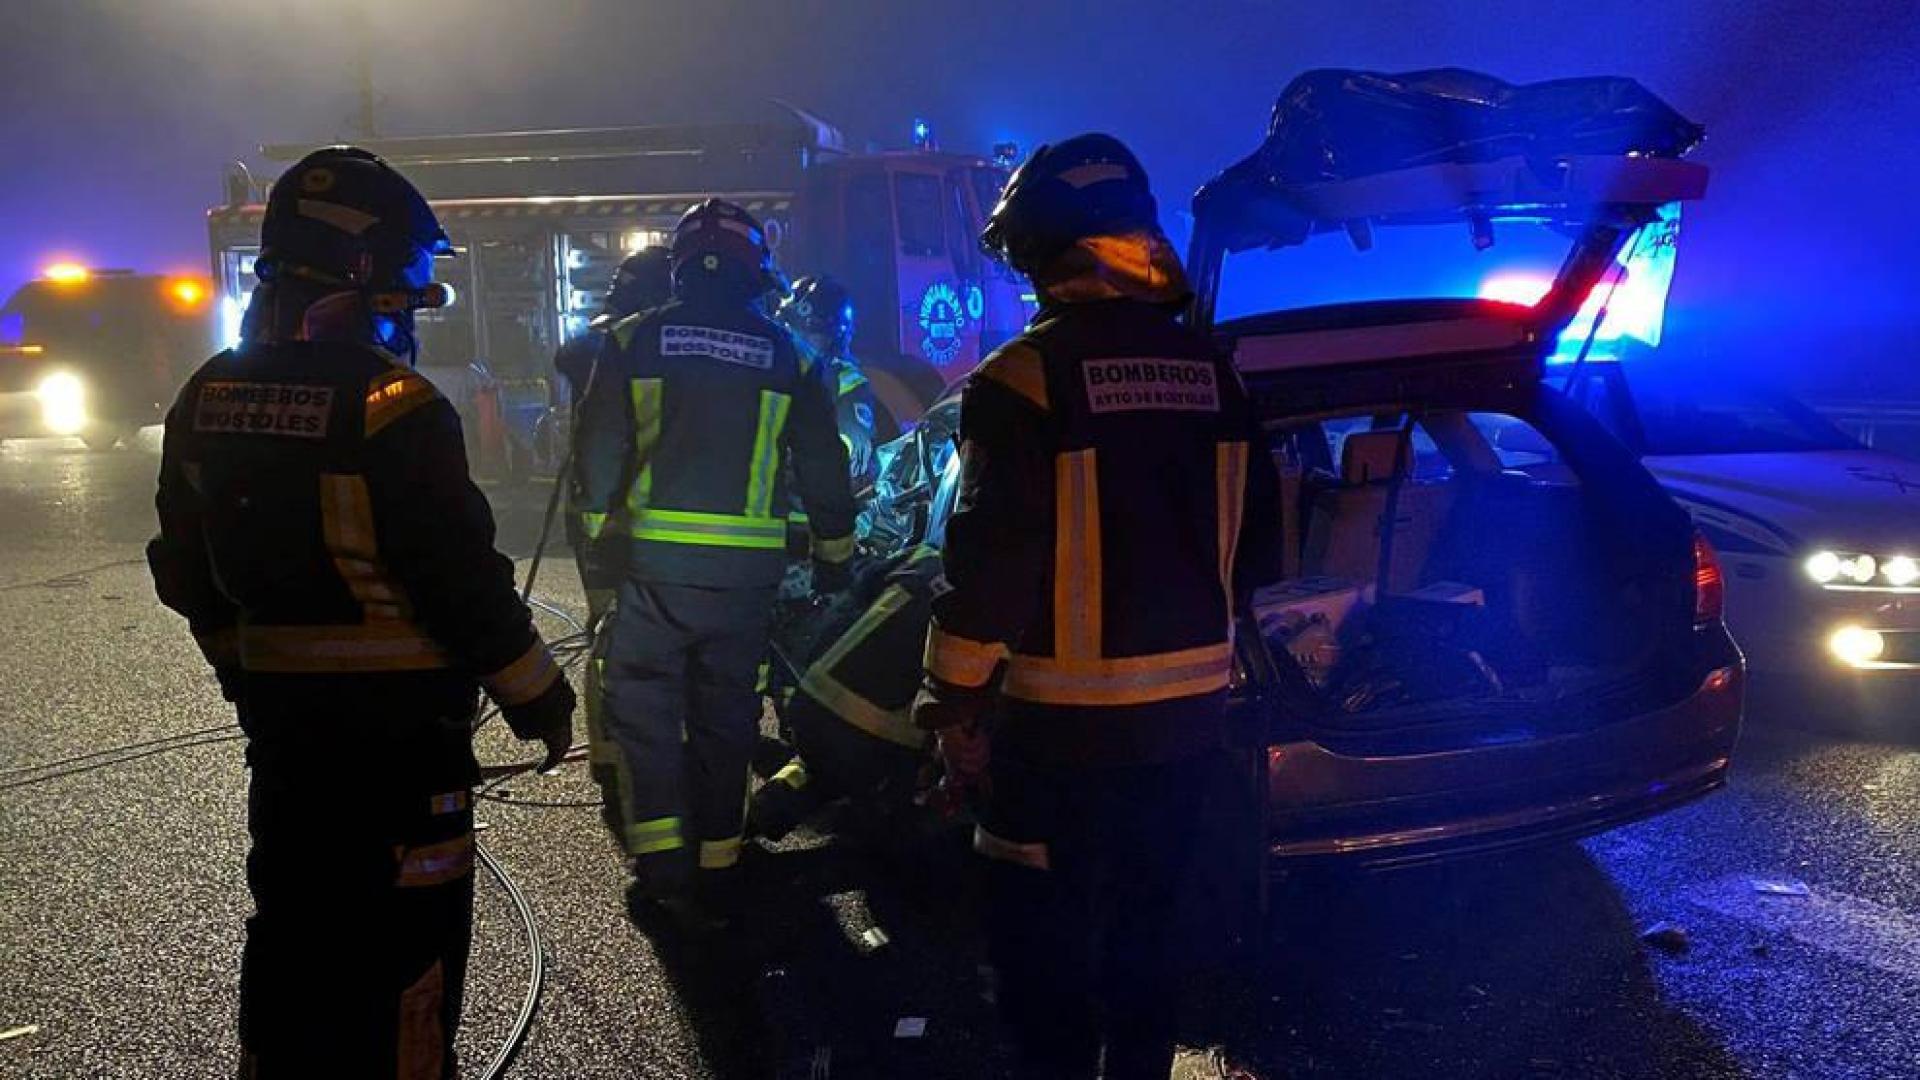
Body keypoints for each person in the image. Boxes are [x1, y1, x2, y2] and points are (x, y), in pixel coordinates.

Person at [148, 146, 576, 1078]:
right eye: (401, 298)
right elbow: (460, 581)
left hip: (288, 741)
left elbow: (182, 563)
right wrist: (540, 695)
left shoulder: (205, 394)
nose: (405, 320)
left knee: (294, 928)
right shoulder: (396, 404)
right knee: (406, 948)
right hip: (401, 749)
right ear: (357, 272)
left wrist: (243, 667)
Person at [912, 134, 1282, 1079]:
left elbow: (991, 566)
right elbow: (1259, 559)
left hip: (1058, 734)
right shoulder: (1221, 378)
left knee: (1044, 952)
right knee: (1147, 935)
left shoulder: (1021, 381)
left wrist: (952, 704)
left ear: (1049, 254)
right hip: (1191, 723)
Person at [574, 198, 859, 926]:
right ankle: (721, 860)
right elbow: (825, 466)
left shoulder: (634, 339)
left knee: (644, 715)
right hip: (744, 583)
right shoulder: (792, 356)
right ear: (755, 269)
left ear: (679, 265)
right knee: (727, 716)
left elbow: (600, 449)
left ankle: (664, 870)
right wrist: (834, 554)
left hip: (655, 573)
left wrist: (603, 538)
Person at [749, 544, 943, 844]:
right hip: (883, 747)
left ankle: (759, 814)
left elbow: (843, 611)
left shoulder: (920, 559)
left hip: (814, 706)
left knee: (819, 764)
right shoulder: (991, 602)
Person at [775, 274, 900, 492]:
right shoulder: (773, 372)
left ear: (835, 338)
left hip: (812, 518)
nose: (796, 342)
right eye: (790, 331)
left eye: (807, 335)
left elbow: (849, 454)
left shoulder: (847, 382)